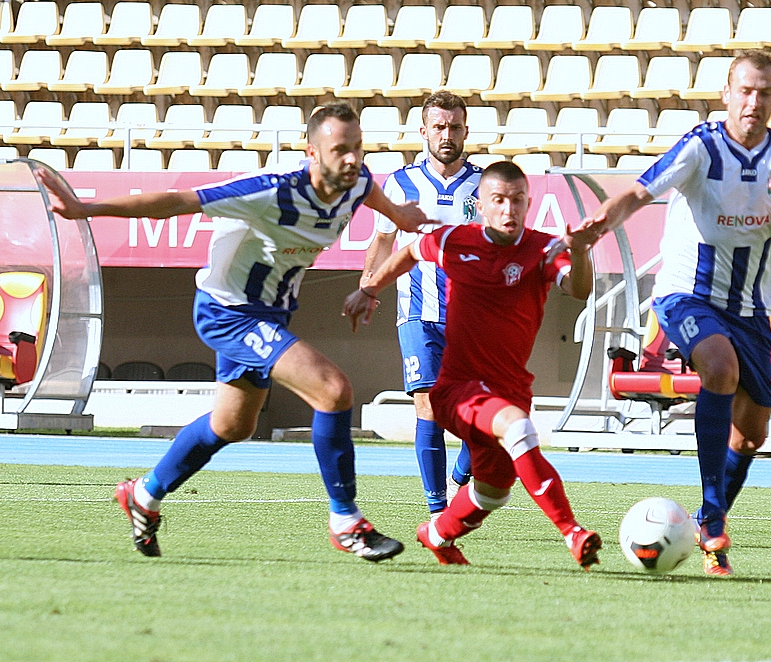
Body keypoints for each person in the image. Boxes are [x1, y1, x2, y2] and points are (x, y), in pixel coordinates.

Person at [39, 102, 431, 562]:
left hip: (273, 315)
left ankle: (144, 494)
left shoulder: (357, 181)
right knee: (333, 389)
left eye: (357, 148)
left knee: (233, 425)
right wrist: (86, 208)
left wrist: (400, 216)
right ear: (311, 152)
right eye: (339, 150)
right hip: (229, 312)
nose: (351, 159)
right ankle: (346, 521)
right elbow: (176, 202)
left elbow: (373, 194)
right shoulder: (271, 190)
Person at [580, 51, 771, 576]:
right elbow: (639, 192)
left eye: (765, 93)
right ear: (726, 95)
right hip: (686, 295)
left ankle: (712, 525)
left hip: (750, 310)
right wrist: (597, 226)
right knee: (720, 369)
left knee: (751, 435)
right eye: (746, 91)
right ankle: (711, 519)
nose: (754, 102)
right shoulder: (701, 146)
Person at [345, 162, 605, 569]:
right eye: (498, 200)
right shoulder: (454, 240)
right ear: (479, 205)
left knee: (492, 492)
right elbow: (409, 252)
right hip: (458, 389)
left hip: (510, 390)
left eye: (517, 200)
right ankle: (572, 532)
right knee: (518, 428)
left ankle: (435, 534)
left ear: (528, 204)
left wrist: (581, 250)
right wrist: (370, 288)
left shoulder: (543, 249)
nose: (508, 209)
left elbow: (579, 289)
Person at [360, 91, 478, 519]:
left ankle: (461, 476)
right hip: (417, 310)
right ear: (424, 131)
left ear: (466, 131)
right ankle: (438, 511)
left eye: (455, 127)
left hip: (473, 314)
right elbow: (383, 240)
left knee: (480, 410)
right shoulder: (400, 183)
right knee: (427, 403)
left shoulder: (485, 186)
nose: (447, 135)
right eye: (439, 127)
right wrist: (367, 286)